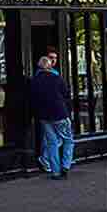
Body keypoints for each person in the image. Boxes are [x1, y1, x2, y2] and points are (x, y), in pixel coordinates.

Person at [29, 49, 74, 178]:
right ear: (49, 66)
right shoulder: (56, 78)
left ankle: (55, 171)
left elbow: (33, 98)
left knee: (52, 143)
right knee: (68, 140)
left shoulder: (34, 80)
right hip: (60, 113)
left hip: (44, 116)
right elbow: (66, 94)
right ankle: (65, 166)